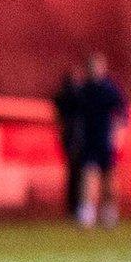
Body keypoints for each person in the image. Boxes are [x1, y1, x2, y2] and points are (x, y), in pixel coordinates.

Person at [71, 53, 128, 229]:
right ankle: (86, 212)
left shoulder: (109, 89)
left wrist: (119, 133)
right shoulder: (83, 90)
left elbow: (123, 111)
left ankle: (109, 211)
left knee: (109, 178)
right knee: (88, 174)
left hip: (105, 139)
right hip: (89, 139)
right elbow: (75, 114)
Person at [52, 65, 84, 219]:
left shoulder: (62, 97)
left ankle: (75, 208)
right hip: (75, 137)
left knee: (74, 174)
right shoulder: (76, 96)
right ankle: (77, 207)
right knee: (77, 174)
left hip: (69, 137)